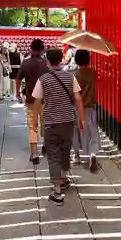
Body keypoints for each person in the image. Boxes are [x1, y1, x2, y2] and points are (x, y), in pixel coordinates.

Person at [32, 48, 85, 205]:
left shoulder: (43, 79)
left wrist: (34, 121)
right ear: (61, 60)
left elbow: (37, 101)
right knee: (65, 149)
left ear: (47, 61)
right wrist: (82, 118)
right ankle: (63, 177)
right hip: (68, 121)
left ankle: (57, 191)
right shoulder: (71, 77)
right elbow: (78, 98)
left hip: (51, 122)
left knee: (53, 154)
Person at [16, 39, 48, 164]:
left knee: (33, 125)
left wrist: (18, 93)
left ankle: (34, 153)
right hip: (45, 99)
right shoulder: (46, 64)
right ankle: (46, 145)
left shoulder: (26, 63)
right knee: (46, 123)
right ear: (42, 49)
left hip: (31, 99)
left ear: (31, 48)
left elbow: (18, 78)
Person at [72, 49, 100, 172]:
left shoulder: (75, 75)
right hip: (90, 107)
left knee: (75, 131)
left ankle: (77, 155)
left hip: (77, 108)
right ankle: (92, 154)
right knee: (92, 132)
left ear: (76, 60)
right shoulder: (92, 73)